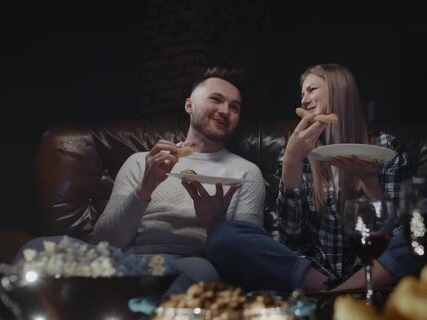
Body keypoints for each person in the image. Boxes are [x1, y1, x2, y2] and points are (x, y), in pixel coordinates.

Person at [17, 66, 266, 293]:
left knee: (202, 274)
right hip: (123, 262)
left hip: (186, 266)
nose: (225, 111)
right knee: (35, 250)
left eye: (235, 107)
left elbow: (244, 262)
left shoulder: (246, 173)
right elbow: (107, 241)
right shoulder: (141, 161)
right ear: (189, 105)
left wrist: (215, 226)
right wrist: (144, 190)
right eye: (216, 99)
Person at [206, 63, 418, 293]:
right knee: (223, 236)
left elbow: (394, 233)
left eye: (312, 89)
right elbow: (293, 234)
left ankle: (339, 293)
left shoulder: (384, 148)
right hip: (314, 272)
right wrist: (291, 161)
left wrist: (370, 182)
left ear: (340, 91)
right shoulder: (298, 151)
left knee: (424, 227)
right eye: (302, 94)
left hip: (371, 268)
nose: (304, 100)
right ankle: (334, 292)